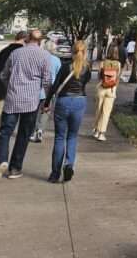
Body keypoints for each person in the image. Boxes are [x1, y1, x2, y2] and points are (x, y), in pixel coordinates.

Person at [0, 29, 53, 183]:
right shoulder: (45, 56)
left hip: (12, 99)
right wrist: (47, 100)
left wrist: (10, 86)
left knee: (5, 132)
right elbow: (47, 81)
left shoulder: (15, 54)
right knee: (24, 134)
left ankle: (1, 161)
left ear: (27, 39)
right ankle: (15, 168)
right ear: (40, 41)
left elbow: (3, 75)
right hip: (31, 101)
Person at [45, 39, 91, 183]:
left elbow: (55, 86)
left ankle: (55, 173)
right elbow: (84, 83)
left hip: (63, 101)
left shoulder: (65, 67)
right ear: (85, 52)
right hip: (79, 101)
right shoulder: (86, 69)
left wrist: (46, 103)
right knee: (72, 136)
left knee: (59, 137)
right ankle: (69, 164)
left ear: (72, 51)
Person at [0, 31, 26, 149]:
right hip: (13, 86)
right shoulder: (20, 53)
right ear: (24, 40)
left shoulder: (3, 51)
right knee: (9, 113)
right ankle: (2, 134)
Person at [30, 40, 62, 143]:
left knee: (34, 111)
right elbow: (58, 76)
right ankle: (40, 130)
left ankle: (32, 131)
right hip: (49, 90)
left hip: (37, 88)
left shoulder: (39, 58)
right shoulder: (57, 60)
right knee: (45, 111)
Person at [92, 42, 121, 142]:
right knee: (106, 112)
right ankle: (102, 133)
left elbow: (99, 76)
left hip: (101, 88)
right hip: (111, 90)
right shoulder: (118, 64)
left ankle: (96, 129)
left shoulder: (103, 63)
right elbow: (117, 78)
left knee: (98, 110)